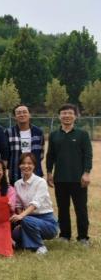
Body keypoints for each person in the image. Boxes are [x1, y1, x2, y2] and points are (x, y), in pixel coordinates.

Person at [46, 104, 93, 245]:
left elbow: (88, 155)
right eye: (64, 113)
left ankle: (83, 237)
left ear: (75, 116)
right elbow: (50, 155)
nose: (67, 116)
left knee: (81, 209)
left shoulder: (82, 134)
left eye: (70, 113)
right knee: (62, 208)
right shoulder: (54, 135)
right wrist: (49, 172)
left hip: (79, 179)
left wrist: (86, 173)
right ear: (59, 116)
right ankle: (65, 235)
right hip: (60, 179)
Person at [12, 152, 58, 254]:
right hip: (28, 219)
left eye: (29, 163)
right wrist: (21, 221)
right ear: (19, 165)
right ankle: (27, 244)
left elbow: (35, 203)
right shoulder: (17, 184)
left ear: (34, 166)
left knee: (27, 221)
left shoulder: (41, 182)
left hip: (47, 222)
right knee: (16, 233)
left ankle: (40, 246)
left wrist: (21, 217)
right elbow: (18, 204)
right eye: (23, 163)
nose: (26, 166)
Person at [7, 104, 44, 183]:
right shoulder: (9, 133)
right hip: (15, 172)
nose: (22, 114)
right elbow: (7, 154)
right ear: (14, 116)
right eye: (18, 113)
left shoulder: (38, 132)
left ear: (29, 114)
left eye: (24, 112)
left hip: (35, 172)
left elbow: (41, 154)